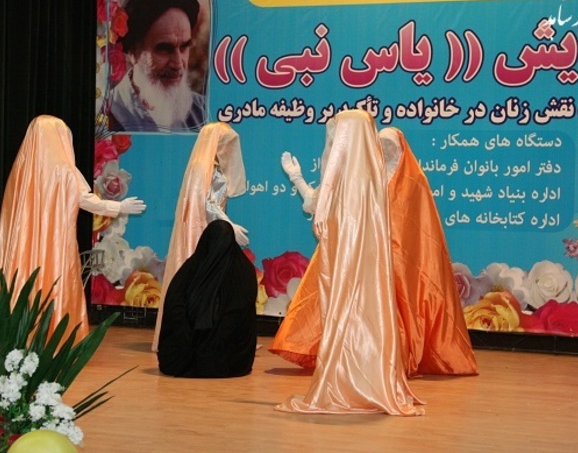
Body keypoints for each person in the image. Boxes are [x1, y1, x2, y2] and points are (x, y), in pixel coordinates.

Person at [269, 125, 478, 377]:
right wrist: (297, 179)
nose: (386, 151)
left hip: (398, 268)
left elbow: (421, 234)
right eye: (381, 146)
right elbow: (321, 204)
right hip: (362, 260)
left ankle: (391, 359)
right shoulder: (363, 179)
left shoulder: (415, 182)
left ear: (401, 149)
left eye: (390, 146)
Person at [276, 110, 424, 415]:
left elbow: (323, 202)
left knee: (345, 311)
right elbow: (316, 201)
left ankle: (345, 381)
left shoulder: (361, 180)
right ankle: (363, 380)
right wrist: (298, 178)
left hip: (346, 270)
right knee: (362, 316)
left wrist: (321, 210)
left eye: (335, 135)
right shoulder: (372, 179)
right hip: (358, 275)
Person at [0, 115, 146, 343]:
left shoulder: (21, 172)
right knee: (54, 280)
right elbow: (87, 201)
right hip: (55, 247)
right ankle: (52, 335)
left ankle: (18, 333)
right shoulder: (65, 172)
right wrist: (120, 206)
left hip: (24, 250)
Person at [152, 122, 249, 352]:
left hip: (214, 232)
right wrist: (228, 225)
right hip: (200, 233)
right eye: (225, 143)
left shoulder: (213, 168)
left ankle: (214, 337)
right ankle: (190, 338)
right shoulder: (200, 168)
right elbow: (203, 203)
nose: (228, 148)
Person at [158, 220, 258, 377]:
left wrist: (210, 342)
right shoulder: (192, 267)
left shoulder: (242, 271)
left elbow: (236, 314)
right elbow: (175, 303)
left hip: (227, 348)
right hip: (188, 343)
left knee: (210, 359)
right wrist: (187, 336)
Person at [109, 0, 206, 132]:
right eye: (165, 49)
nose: (178, 64)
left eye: (184, 47)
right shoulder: (107, 114)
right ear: (133, 50)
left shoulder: (203, 112)